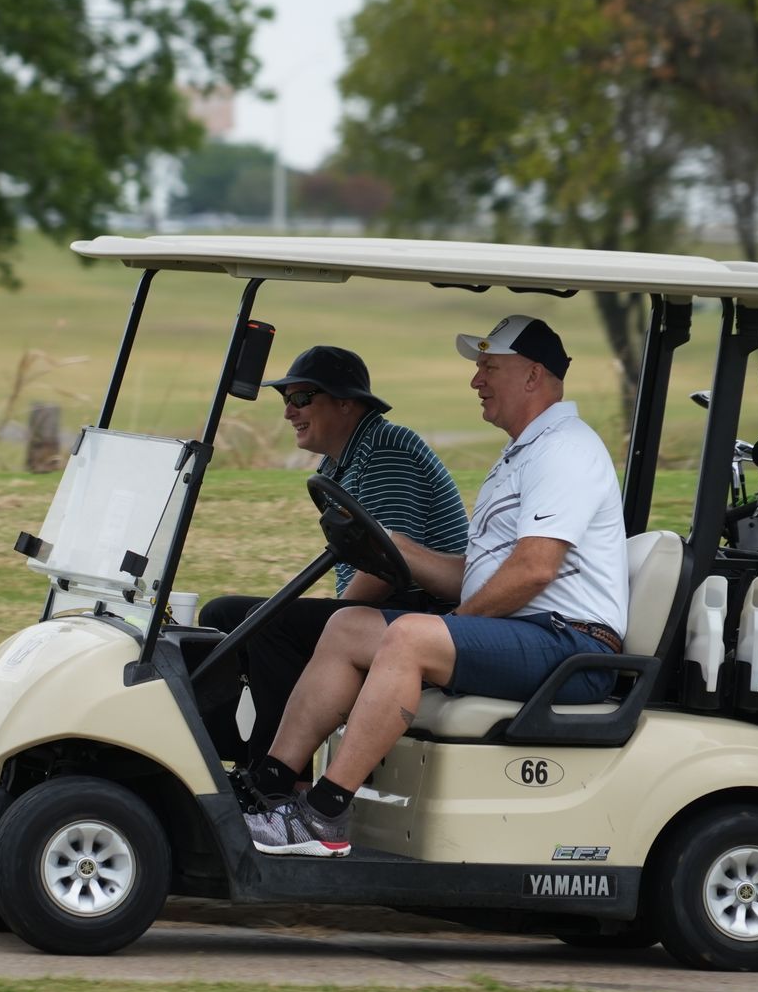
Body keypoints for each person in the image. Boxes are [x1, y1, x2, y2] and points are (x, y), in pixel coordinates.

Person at [241, 314, 629, 857]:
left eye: (489, 368)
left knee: (411, 638)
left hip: (571, 644)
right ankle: (272, 788)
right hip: (529, 635)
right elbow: (479, 573)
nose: (476, 382)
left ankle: (323, 816)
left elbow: (535, 568)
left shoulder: (564, 449)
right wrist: (403, 549)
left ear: (533, 376)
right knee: (349, 625)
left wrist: (452, 627)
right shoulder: (524, 453)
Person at [199, 345, 468, 768]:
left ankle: (277, 781)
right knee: (223, 616)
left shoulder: (387, 449)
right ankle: (229, 762)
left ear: (345, 404)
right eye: (285, 399)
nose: (289, 411)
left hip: (426, 614)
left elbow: (385, 570)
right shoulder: (338, 464)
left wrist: (329, 627)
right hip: (390, 609)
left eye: (302, 398)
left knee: (271, 626)